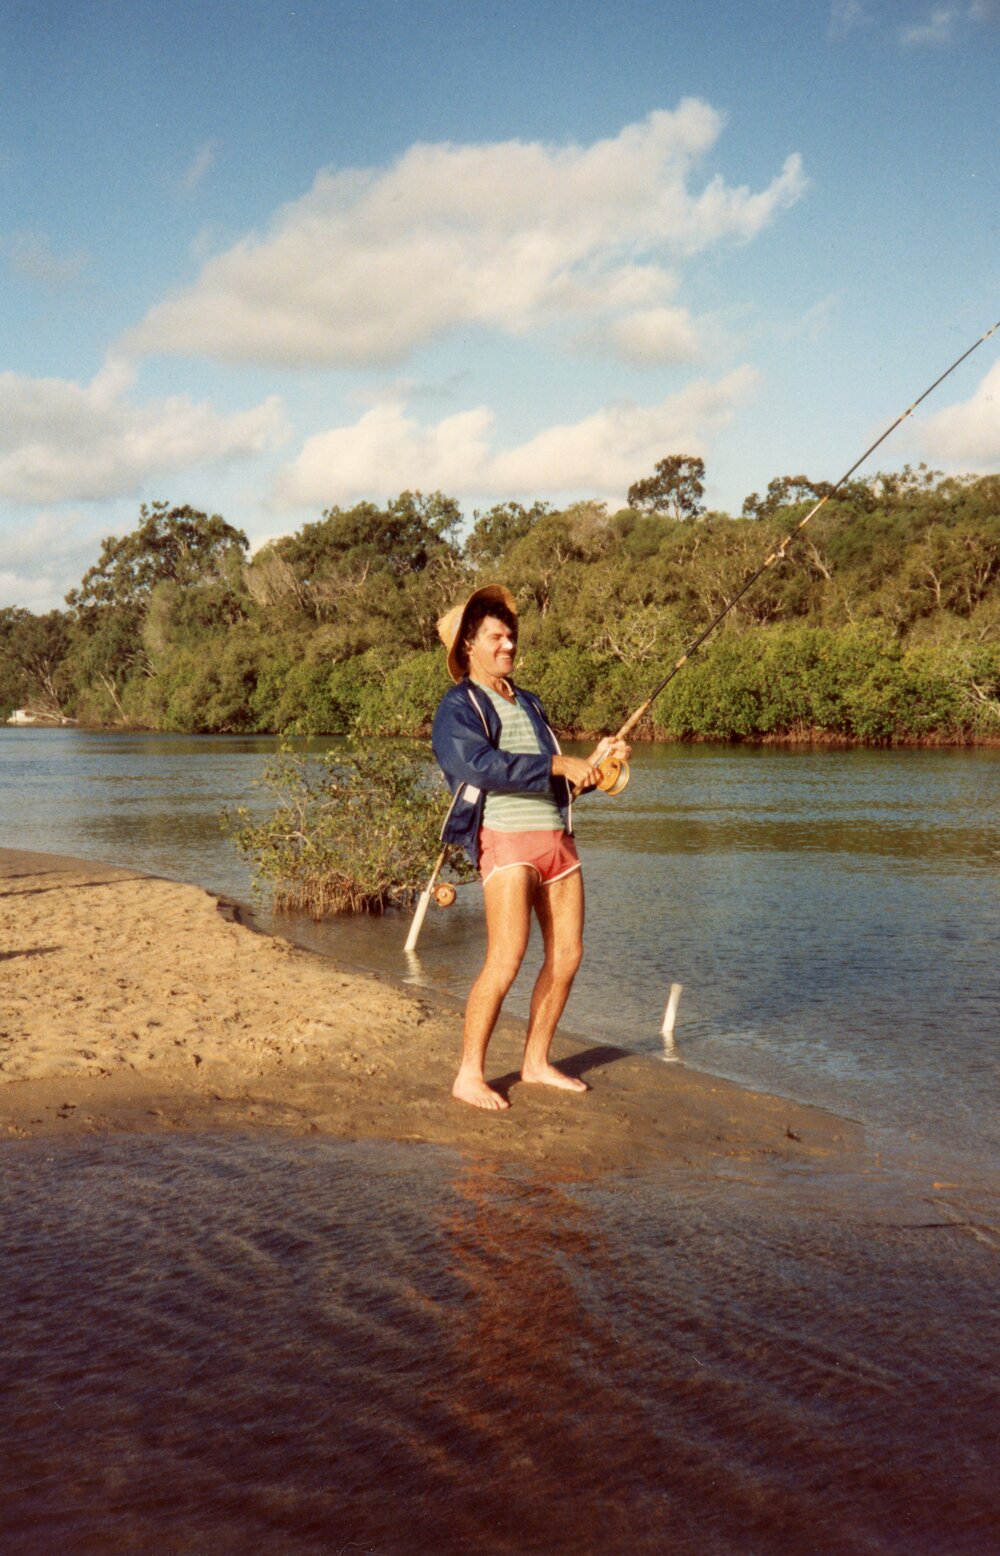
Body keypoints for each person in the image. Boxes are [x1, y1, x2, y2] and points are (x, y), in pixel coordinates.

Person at [431, 585, 630, 1111]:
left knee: (567, 956)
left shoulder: (530, 702)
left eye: (511, 636)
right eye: (496, 637)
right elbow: (478, 766)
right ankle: (468, 1074)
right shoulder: (458, 706)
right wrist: (558, 765)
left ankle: (537, 1062)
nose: (508, 645)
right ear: (469, 645)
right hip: (506, 839)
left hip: (557, 840)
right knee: (506, 959)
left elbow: (557, 780)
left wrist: (596, 763)